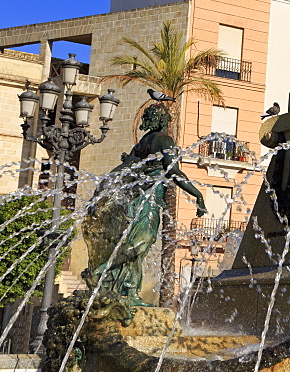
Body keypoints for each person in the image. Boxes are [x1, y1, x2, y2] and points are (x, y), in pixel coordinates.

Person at [82, 104, 207, 306]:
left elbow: (124, 167)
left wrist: (102, 189)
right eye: (166, 118)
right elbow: (174, 172)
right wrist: (197, 195)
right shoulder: (164, 140)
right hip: (148, 199)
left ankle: (130, 292)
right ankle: (97, 271)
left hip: (136, 198)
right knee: (140, 243)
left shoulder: (143, 141)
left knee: (138, 250)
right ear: (163, 120)